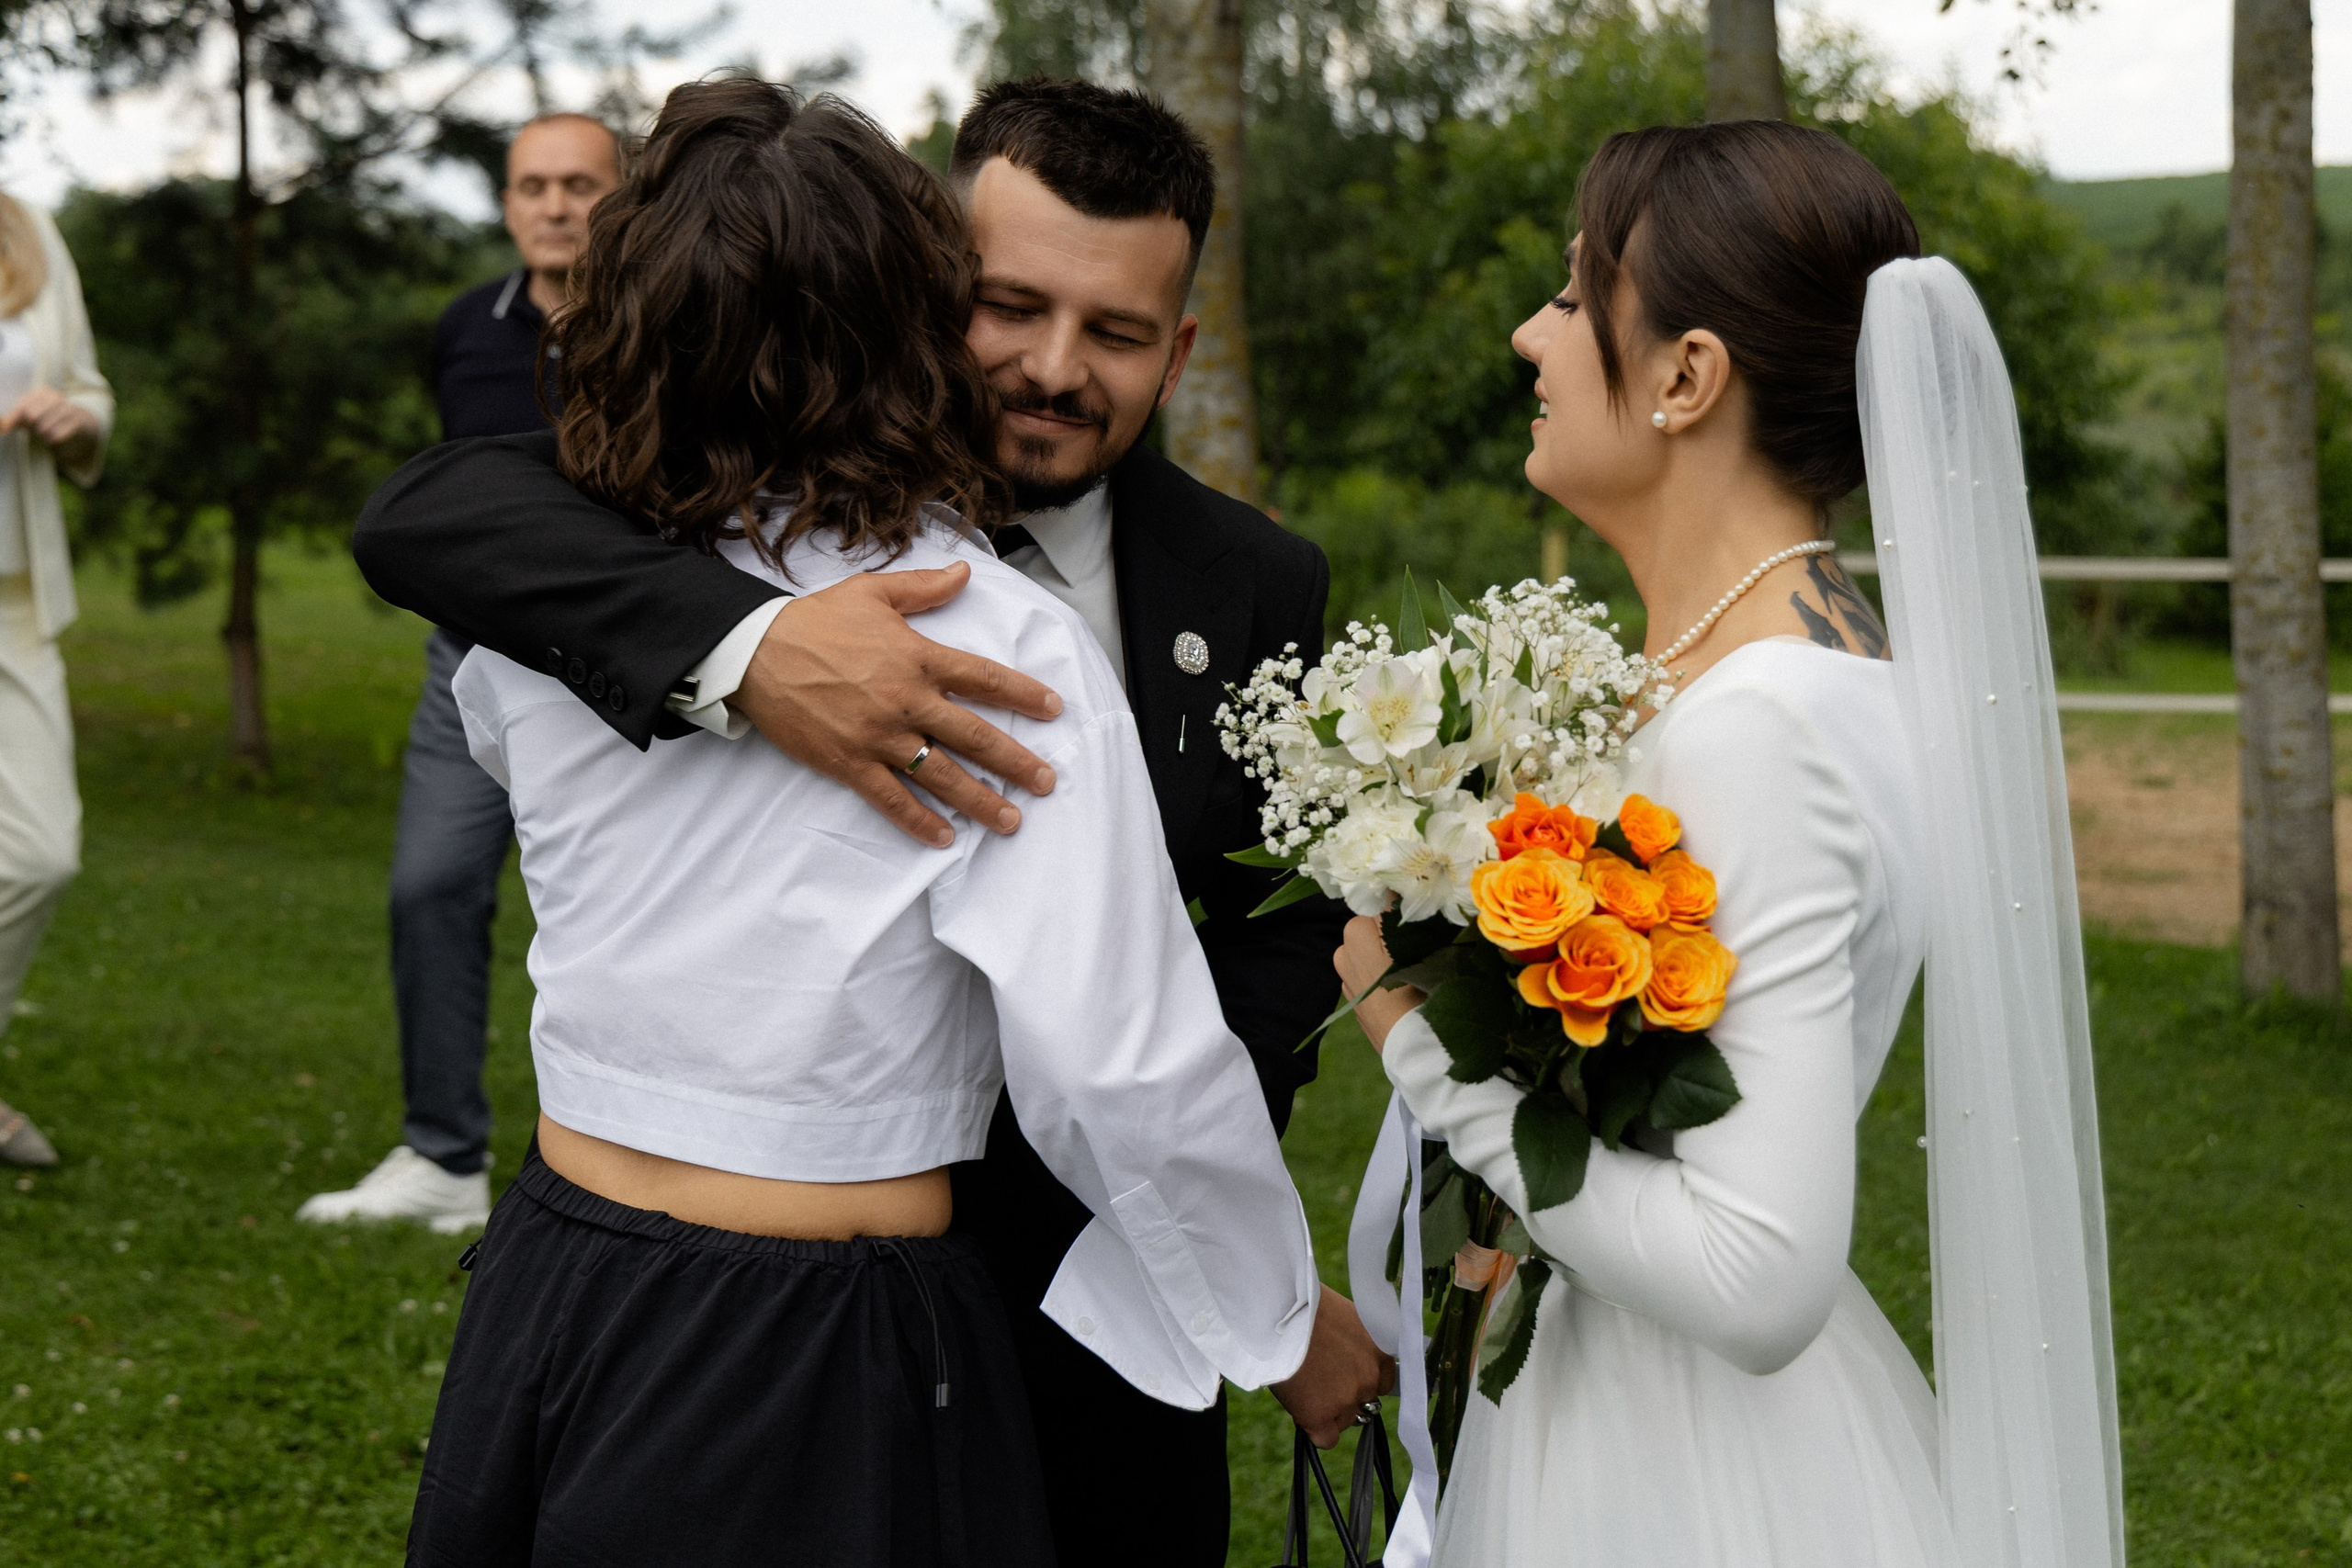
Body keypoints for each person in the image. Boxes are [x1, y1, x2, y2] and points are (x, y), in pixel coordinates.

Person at [355, 79, 1366, 1562]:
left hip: (562, 1271)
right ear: (921, 314)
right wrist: (1277, 1317)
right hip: (828, 1321)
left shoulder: (537, 632)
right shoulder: (1002, 653)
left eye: (1116, 329)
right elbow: (1127, 1063)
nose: (1047, 363)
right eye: (1003, 305)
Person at [1338, 121, 2123, 1565]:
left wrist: (1412, 1035)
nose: (1534, 333)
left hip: (1675, 1469)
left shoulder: (1754, 722)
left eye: (1576, 299)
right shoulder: (1817, 668)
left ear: (1689, 375)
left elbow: (1758, 1273)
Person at [300, 113, 622, 1231]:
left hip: (613, 670)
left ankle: (617, 1165)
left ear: (621, 196)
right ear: (504, 205)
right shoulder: (465, 330)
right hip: (469, 662)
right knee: (428, 888)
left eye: (579, 182)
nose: (554, 203)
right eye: (532, 184)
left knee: (613, 915)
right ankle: (442, 1156)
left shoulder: (663, 330)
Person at [0, 191, 113, 1170]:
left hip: (13, 605)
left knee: (41, 856)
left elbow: (90, 398)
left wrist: (74, 421)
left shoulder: (27, 228)